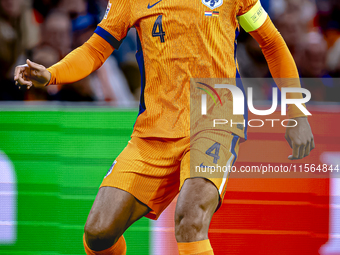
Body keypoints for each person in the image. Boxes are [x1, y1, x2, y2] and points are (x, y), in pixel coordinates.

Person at [14, 0, 315, 254]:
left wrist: (297, 113)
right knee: (99, 232)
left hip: (214, 117)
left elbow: (272, 43)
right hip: (154, 131)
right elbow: (95, 50)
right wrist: (51, 74)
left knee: (190, 218)